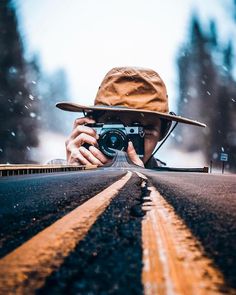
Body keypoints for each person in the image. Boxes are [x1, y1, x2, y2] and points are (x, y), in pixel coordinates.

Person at [56, 67, 205, 168]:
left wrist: (145, 182)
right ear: (91, 125)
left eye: (142, 130)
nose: (124, 143)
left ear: (162, 133)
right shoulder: (54, 171)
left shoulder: (179, 187)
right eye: (113, 124)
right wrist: (70, 177)